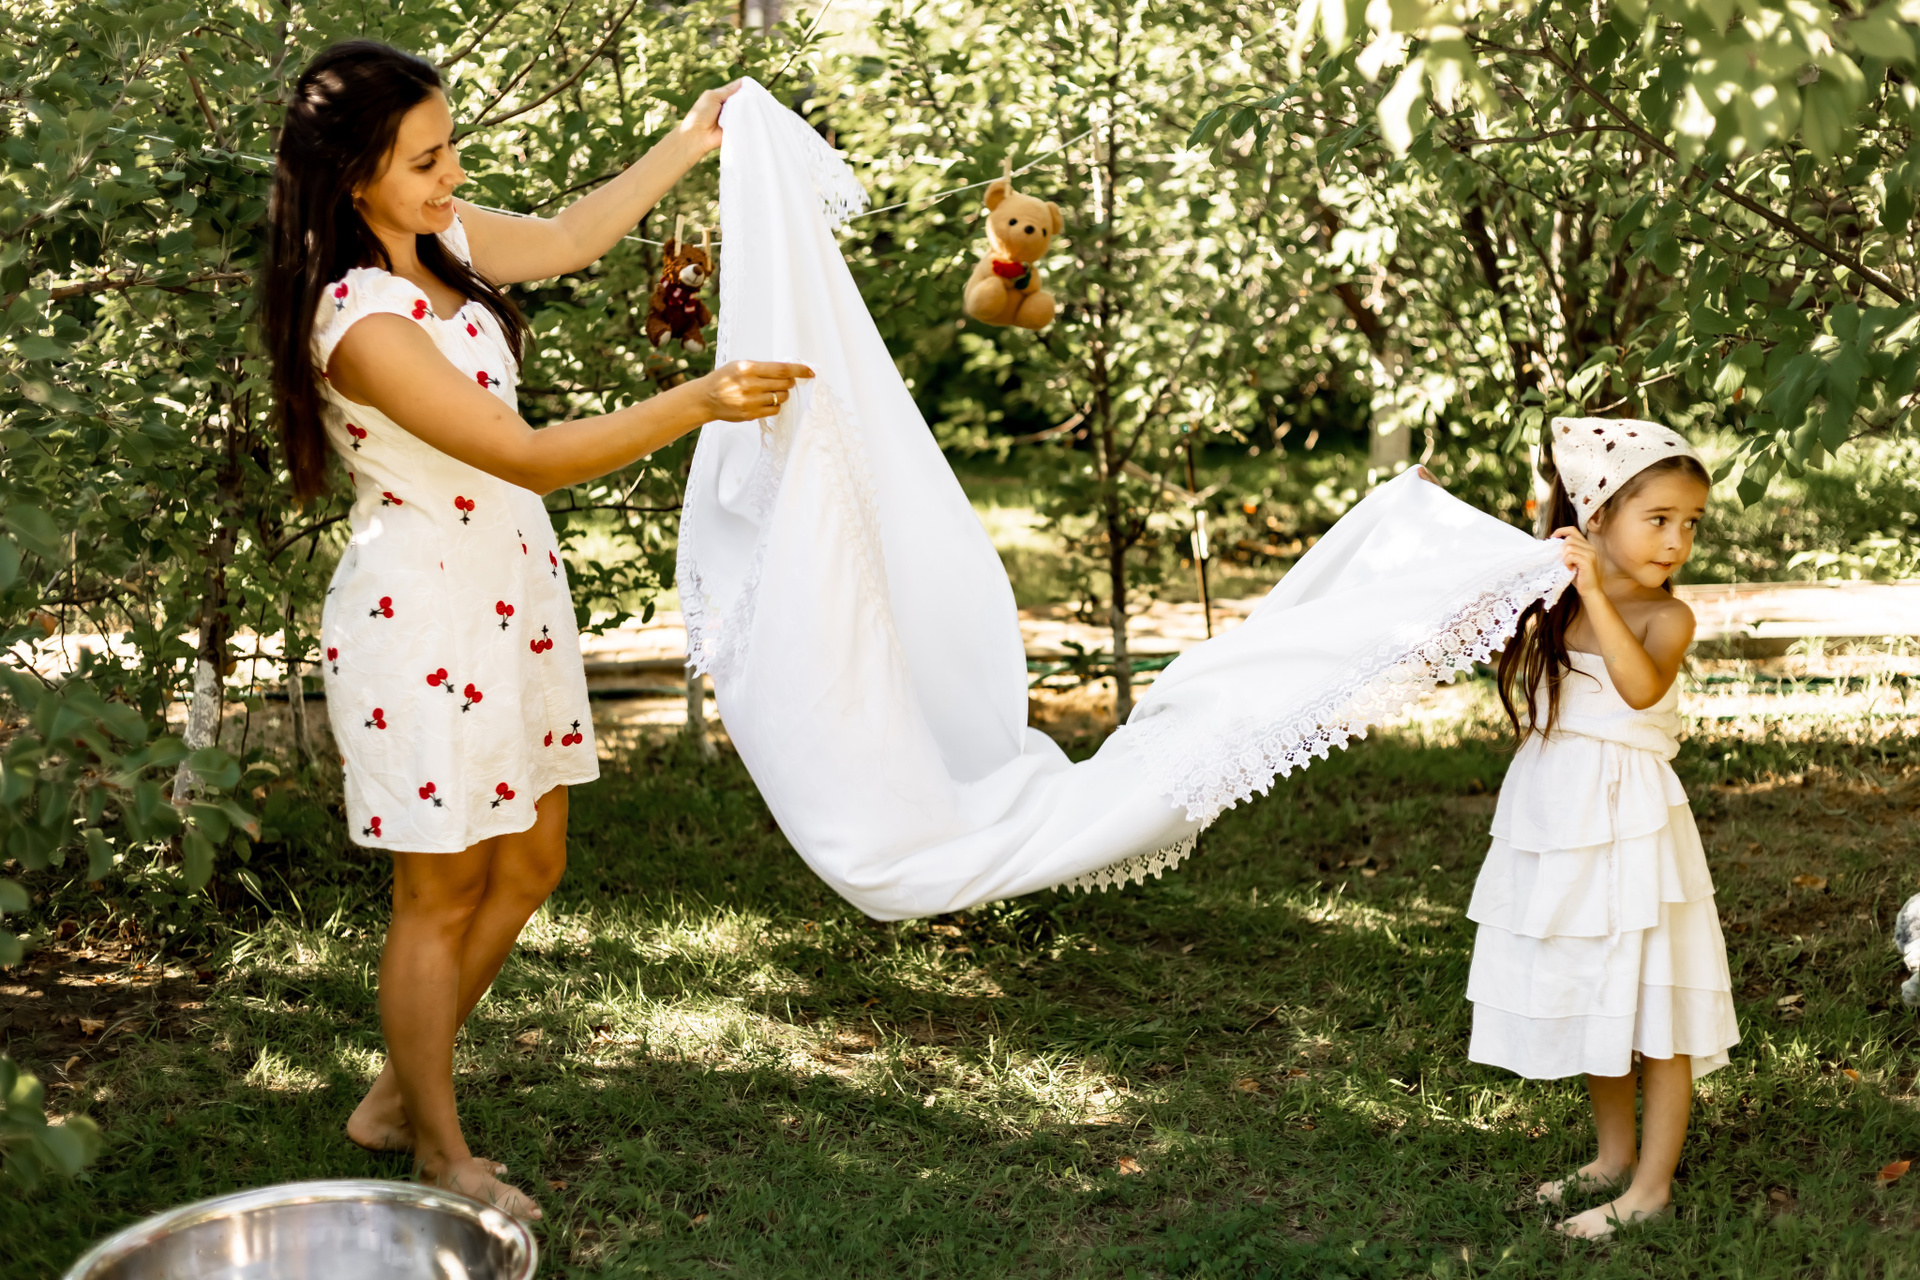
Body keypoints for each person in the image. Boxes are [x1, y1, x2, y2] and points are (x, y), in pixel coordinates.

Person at [259, 40, 810, 1221]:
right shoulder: (359, 318)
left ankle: (393, 1093)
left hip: (510, 598)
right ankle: (436, 1147)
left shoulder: (443, 242)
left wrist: (690, 139)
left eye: (450, 147)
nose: (451, 174)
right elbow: (526, 454)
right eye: (425, 160)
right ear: (353, 176)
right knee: (438, 893)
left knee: (532, 862)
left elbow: (565, 236)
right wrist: (699, 400)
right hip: (422, 621)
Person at [1470, 418, 1740, 1240]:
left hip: (1633, 827)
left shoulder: (1667, 617)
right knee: (1599, 988)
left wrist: (1591, 590)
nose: (1677, 541)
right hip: (1559, 818)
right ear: (1595, 517)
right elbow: (1471, 627)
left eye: (1690, 523)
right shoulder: (1552, 607)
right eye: (1658, 519)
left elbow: (1637, 688)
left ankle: (1650, 1189)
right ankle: (1613, 1156)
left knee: (1655, 1004)